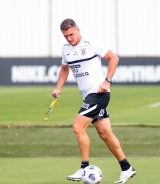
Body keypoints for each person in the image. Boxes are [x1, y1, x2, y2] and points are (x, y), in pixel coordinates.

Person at [52, 18, 136, 184]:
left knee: (78, 127)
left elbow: (114, 58)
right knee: (105, 133)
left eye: (71, 34)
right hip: (88, 96)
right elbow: (64, 69)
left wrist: (107, 81)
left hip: (98, 94)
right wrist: (58, 87)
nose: (69, 38)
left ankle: (84, 168)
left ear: (78, 30)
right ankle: (126, 168)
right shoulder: (66, 49)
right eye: (65, 36)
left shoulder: (91, 43)